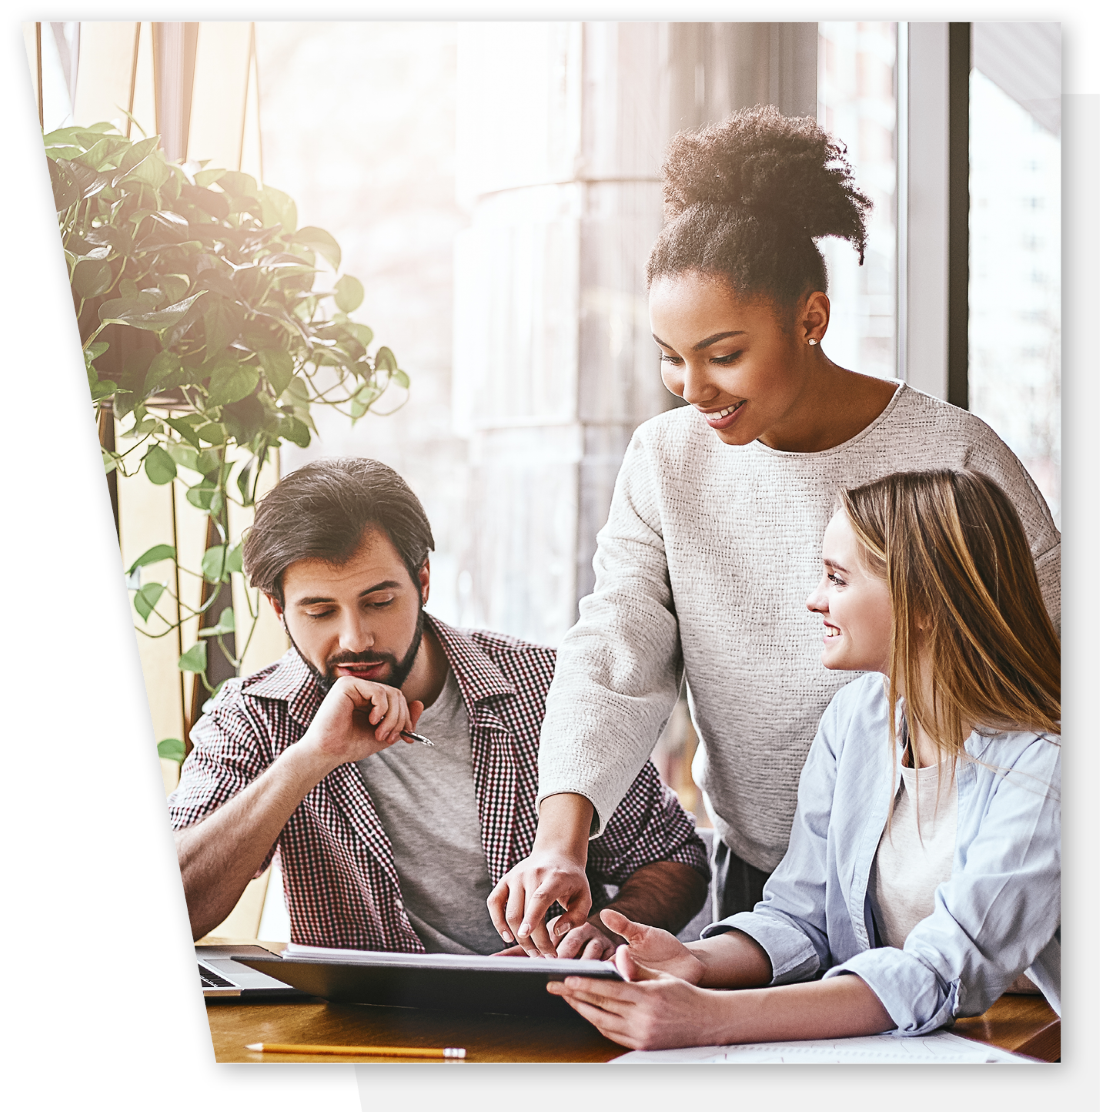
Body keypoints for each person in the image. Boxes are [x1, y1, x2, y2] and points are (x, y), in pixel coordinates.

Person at [487, 106, 1061, 957]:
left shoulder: (954, 454)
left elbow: (1049, 663)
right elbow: (616, 651)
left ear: (812, 319)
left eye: (722, 354)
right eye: (670, 356)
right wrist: (559, 841)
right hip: (768, 887)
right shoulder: (665, 460)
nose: (692, 386)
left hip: (956, 876)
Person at [547, 469, 1060, 1047]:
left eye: (838, 579)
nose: (814, 599)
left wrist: (710, 1020)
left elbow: (941, 970)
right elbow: (800, 915)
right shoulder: (857, 721)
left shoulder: (1051, 764)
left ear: (925, 603)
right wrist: (695, 961)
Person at [169, 458, 708, 957]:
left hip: (545, 1016)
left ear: (423, 580)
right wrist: (309, 757)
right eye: (319, 611)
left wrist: (606, 931)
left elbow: (675, 857)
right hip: (366, 1032)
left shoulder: (550, 688)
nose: (354, 638)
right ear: (277, 609)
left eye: (379, 602)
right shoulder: (253, 716)